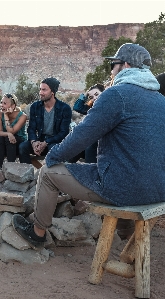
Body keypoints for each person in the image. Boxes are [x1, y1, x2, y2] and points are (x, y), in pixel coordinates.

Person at [12, 43, 165, 250]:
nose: (112, 70)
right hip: (158, 189)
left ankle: (37, 233)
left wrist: (53, 156)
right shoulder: (160, 100)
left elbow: (82, 135)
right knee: (128, 173)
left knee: (47, 173)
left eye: (114, 65)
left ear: (126, 65)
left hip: (124, 187)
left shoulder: (116, 95)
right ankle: (130, 240)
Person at [18, 77, 72, 165]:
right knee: (22, 147)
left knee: (54, 149)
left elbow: (63, 133)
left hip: (54, 142)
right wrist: (34, 142)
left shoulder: (64, 108)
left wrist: (46, 142)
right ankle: (27, 176)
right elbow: (31, 128)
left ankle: (49, 176)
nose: (40, 93)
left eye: (44, 90)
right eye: (40, 89)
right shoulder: (35, 107)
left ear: (52, 92)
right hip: (40, 141)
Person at [69, 83, 105, 163]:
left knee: (89, 145)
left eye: (97, 94)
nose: (95, 98)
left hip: (103, 146)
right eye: (91, 97)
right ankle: (61, 167)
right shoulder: (92, 109)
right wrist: (85, 95)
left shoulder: (111, 107)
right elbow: (77, 107)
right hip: (92, 146)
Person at [0, 93, 27, 167]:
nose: (1, 105)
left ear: (13, 106)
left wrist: (6, 116)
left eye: (5, 103)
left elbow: (11, 131)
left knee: (8, 139)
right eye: (1, 102)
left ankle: (10, 167)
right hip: (5, 142)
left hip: (19, 142)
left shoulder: (22, 116)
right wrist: (8, 134)